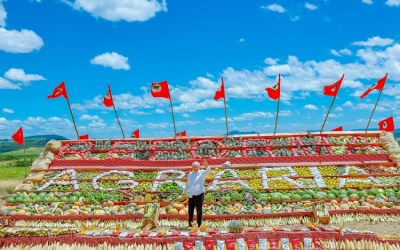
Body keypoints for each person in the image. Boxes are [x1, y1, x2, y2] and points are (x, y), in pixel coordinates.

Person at [184, 158, 211, 227]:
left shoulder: (202, 172)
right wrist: (184, 191)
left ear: (199, 167)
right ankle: (190, 223)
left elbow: (208, 171)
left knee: (199, 210)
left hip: (199, 194)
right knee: (190, 210)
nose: (195, 168)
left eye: (196, 167)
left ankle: (199, 224)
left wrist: (206, 166)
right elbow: (188, 183)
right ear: (192, 167)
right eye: (194, 167)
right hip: (191, 195)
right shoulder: (190, 173)